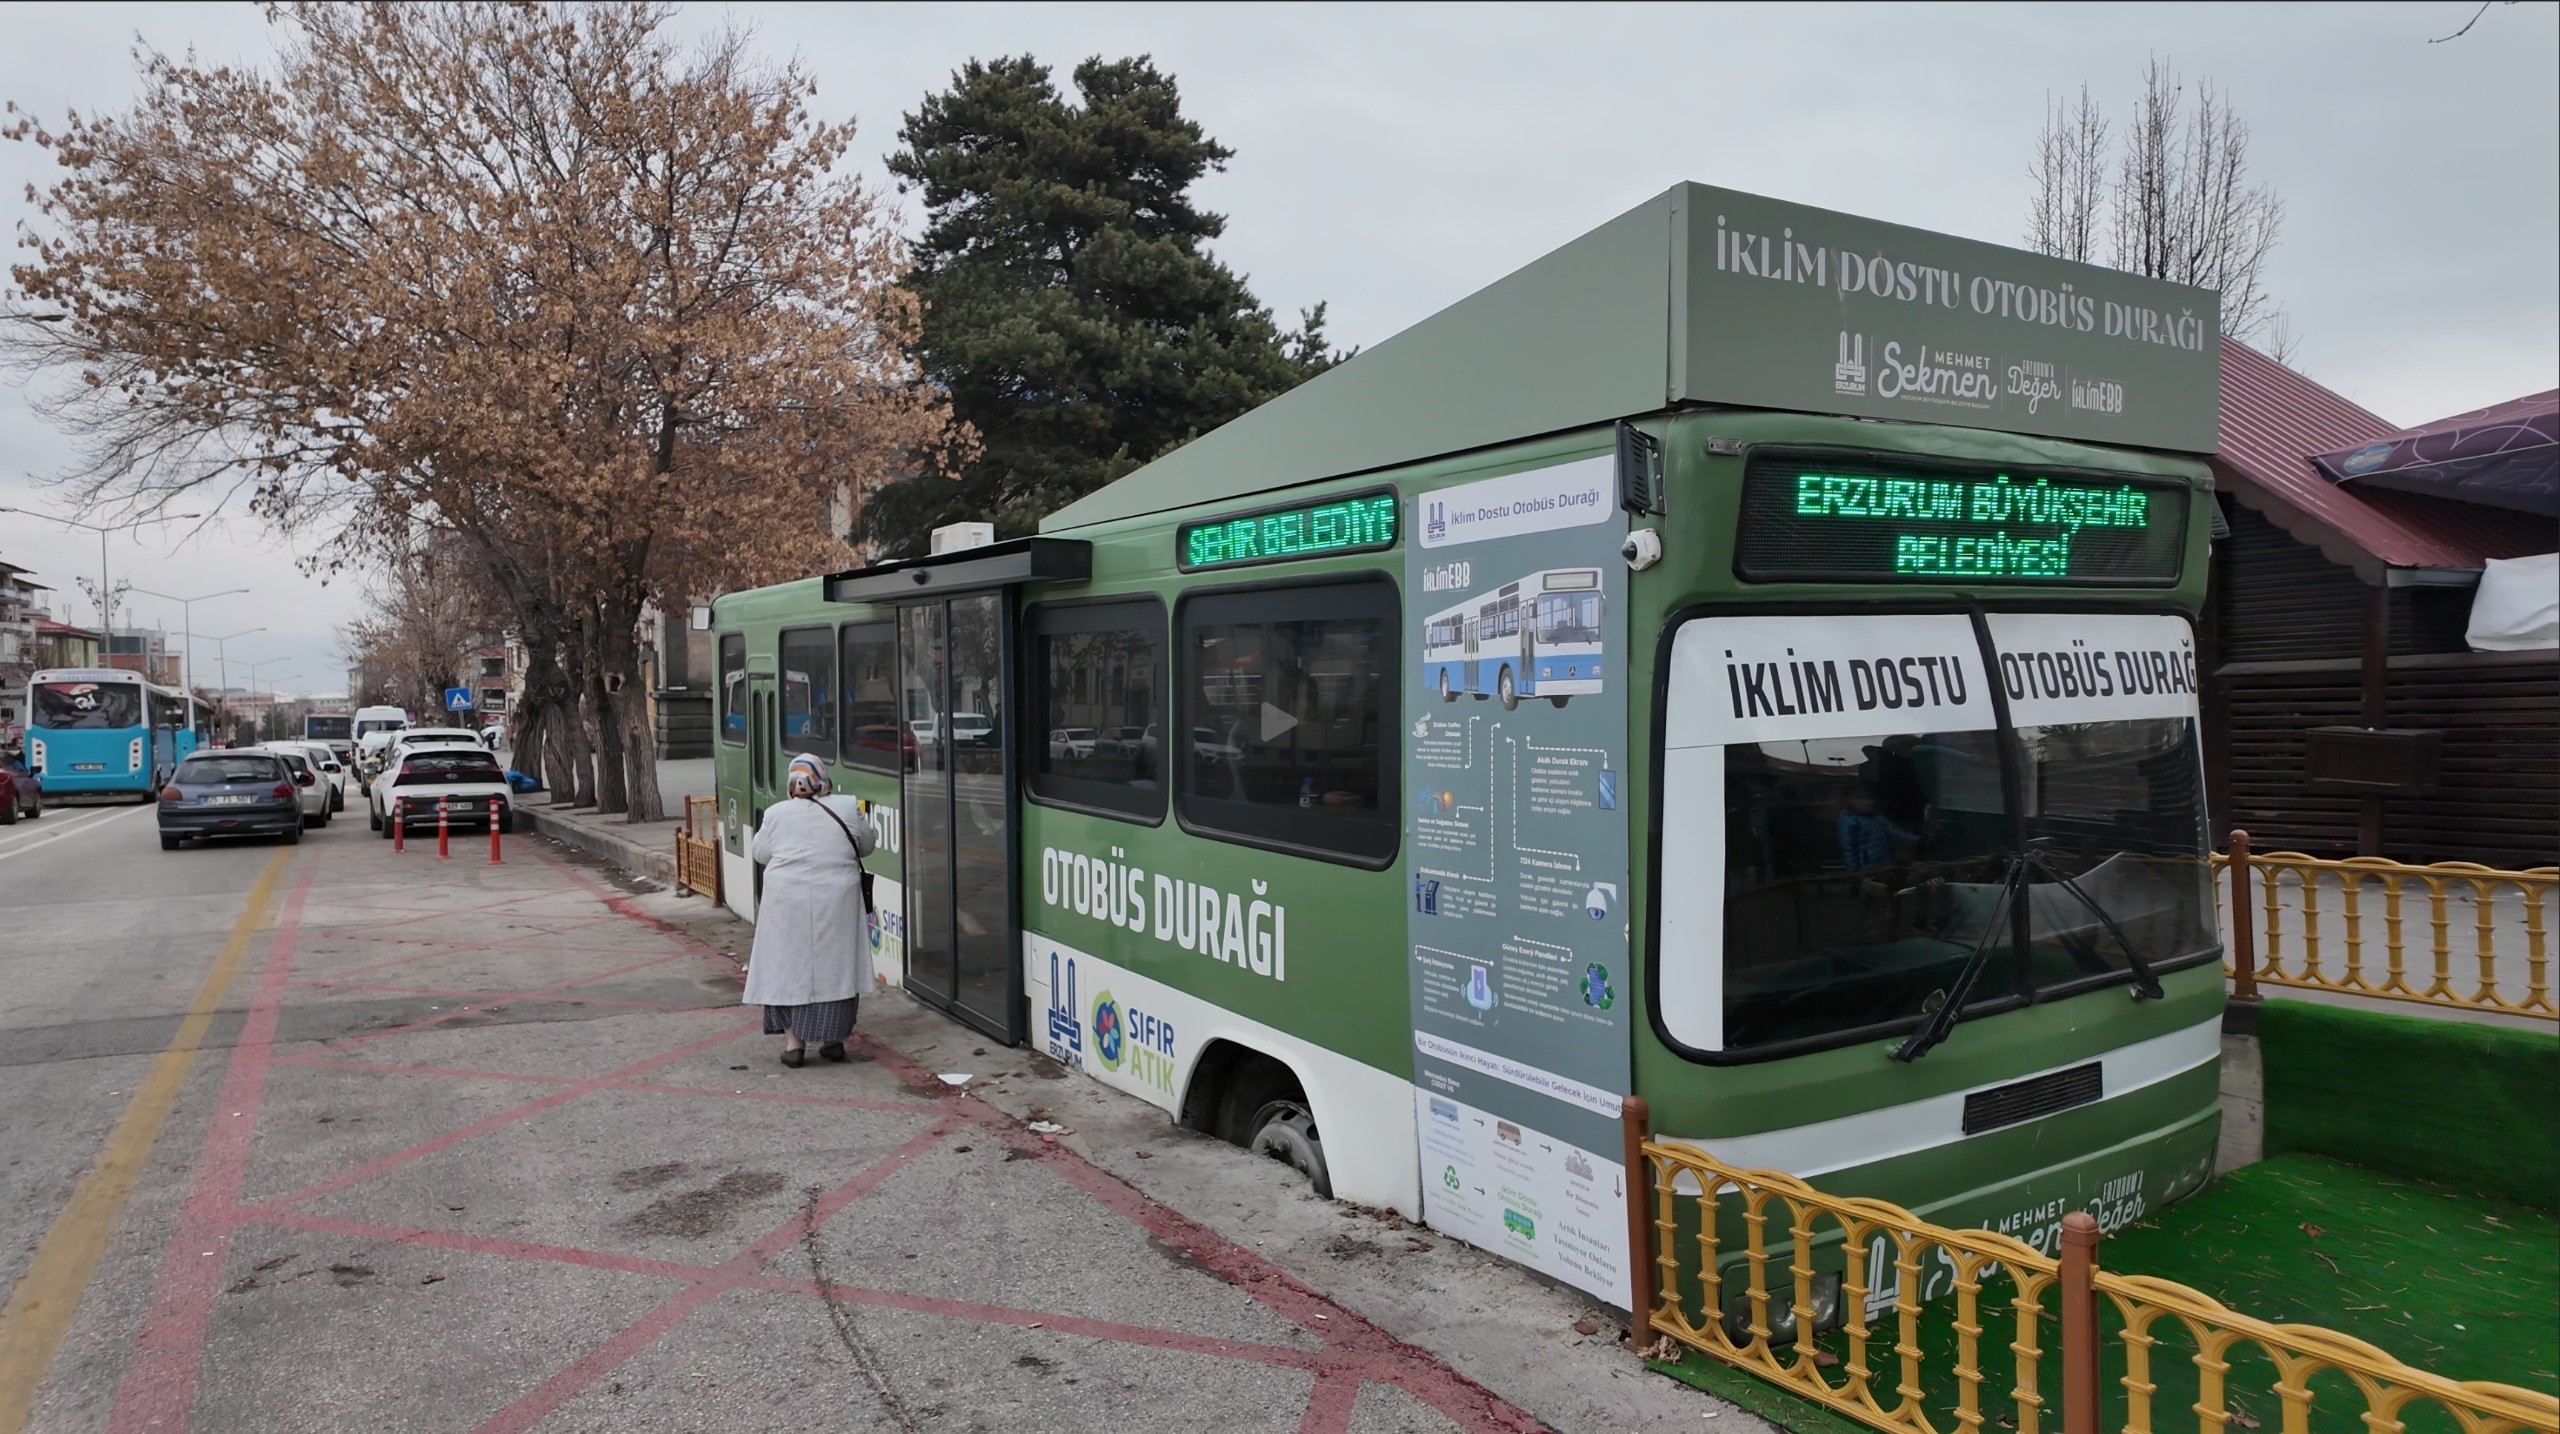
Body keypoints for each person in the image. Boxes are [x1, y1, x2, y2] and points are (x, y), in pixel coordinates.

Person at [746, 754, 877, 1067]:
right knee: (837, 966)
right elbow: (867, 845)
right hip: (837, 901)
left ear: (793, 784)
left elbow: (760, 853)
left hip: (785, 903)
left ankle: (794, 1044)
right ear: (824, 780)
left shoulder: (777, 813)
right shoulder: (847, 805)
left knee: (787, 967)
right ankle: (833, 1041)